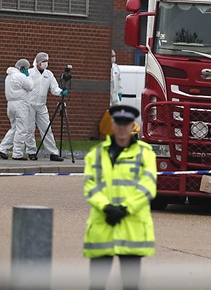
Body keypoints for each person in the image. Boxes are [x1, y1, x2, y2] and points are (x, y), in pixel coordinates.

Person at [83, 105, 157, 290]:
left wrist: (125, 208)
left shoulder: (145, 153)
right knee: (96, 285)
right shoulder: (96, 154)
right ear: (113, 125)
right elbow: (90, 186)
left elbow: (147, 186)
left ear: (133, 125)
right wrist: (107, 207)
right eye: (118, 122)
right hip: (103, 225)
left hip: (131, 226)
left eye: (126, 123)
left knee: (130, 285)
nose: (122, 127)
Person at [26, 52, 66, 161]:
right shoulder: (30, 72)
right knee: (30, 129)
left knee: (47, 128)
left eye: (46, 61)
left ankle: (53, 153)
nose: (45, 64)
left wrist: (60, 92)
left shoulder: (48, 74)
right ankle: (31, 151)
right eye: (43, 61)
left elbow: (54, 88)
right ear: (38, 62)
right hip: (30, 104)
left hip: (42, 105)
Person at [0, 59, 35, 160]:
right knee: (21, 129)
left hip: (10, 105)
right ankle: (17, 153)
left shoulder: (9, 76)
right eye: (26, 68)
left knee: (14, 128)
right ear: (23, 68)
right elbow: (30, 86)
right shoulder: (21, 76)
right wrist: (28, 76)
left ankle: (2, 148)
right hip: (21, 105)